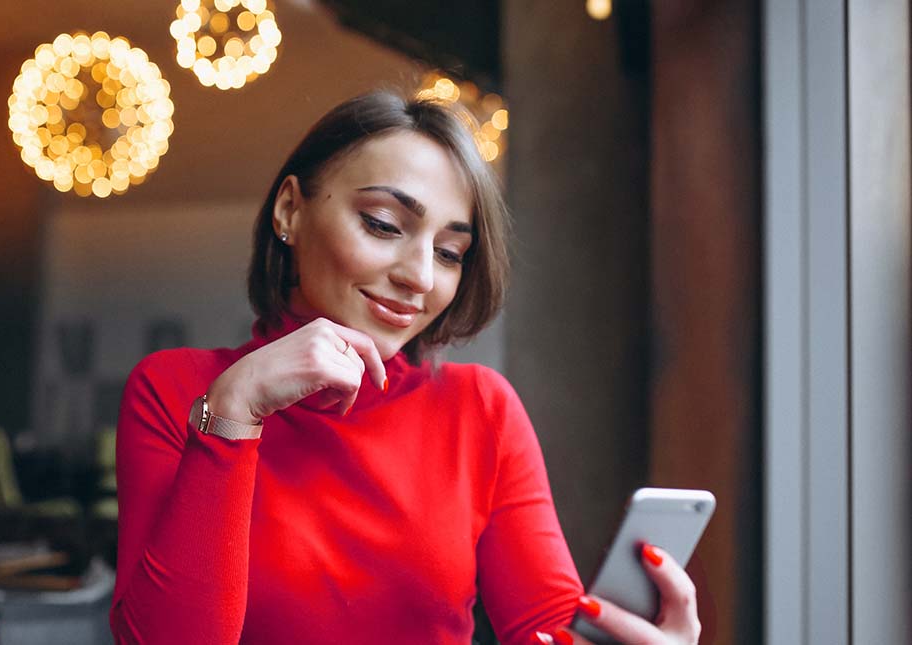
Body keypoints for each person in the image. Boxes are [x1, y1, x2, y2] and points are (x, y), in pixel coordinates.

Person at [109, 90, 702, 645]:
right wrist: (235, 411)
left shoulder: (480, 410)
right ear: (290, 210)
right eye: (384, 225)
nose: (420, 276)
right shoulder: (179, 391)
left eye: (450, 253)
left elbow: (546, 631)